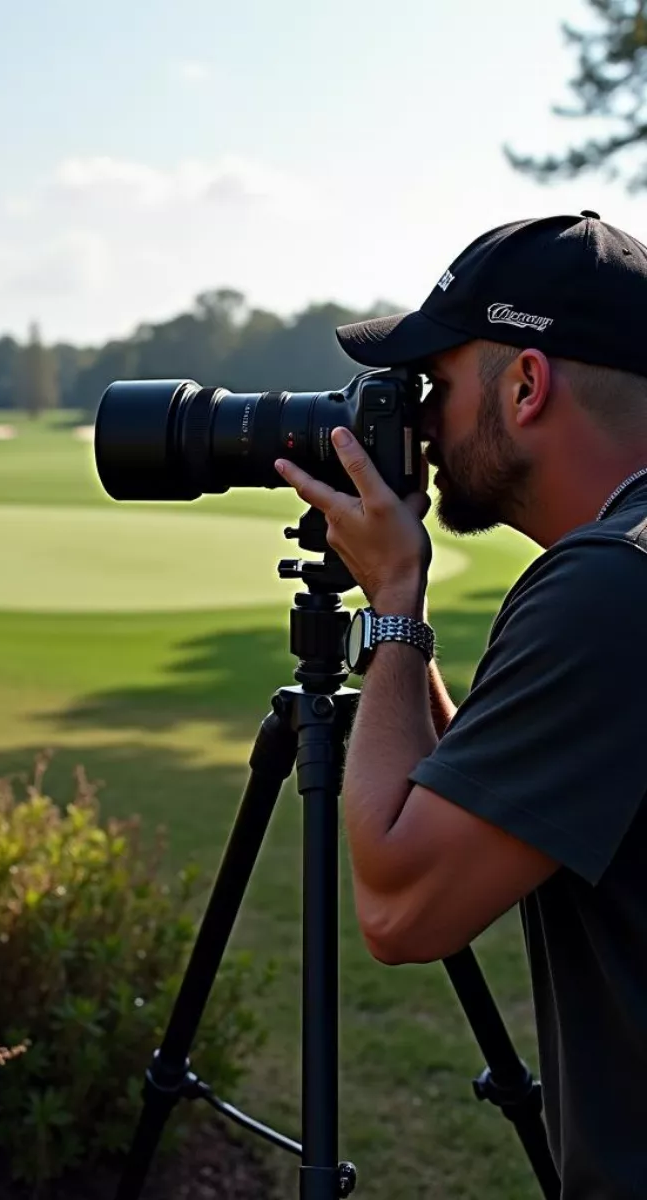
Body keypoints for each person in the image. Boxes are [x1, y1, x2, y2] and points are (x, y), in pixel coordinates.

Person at [274, 210, 647, 1200]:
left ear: (526, 384)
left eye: (434, 384)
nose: (420, 425)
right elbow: (478, 800)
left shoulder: (610, 589)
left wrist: (396, 602)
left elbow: (402, 905)